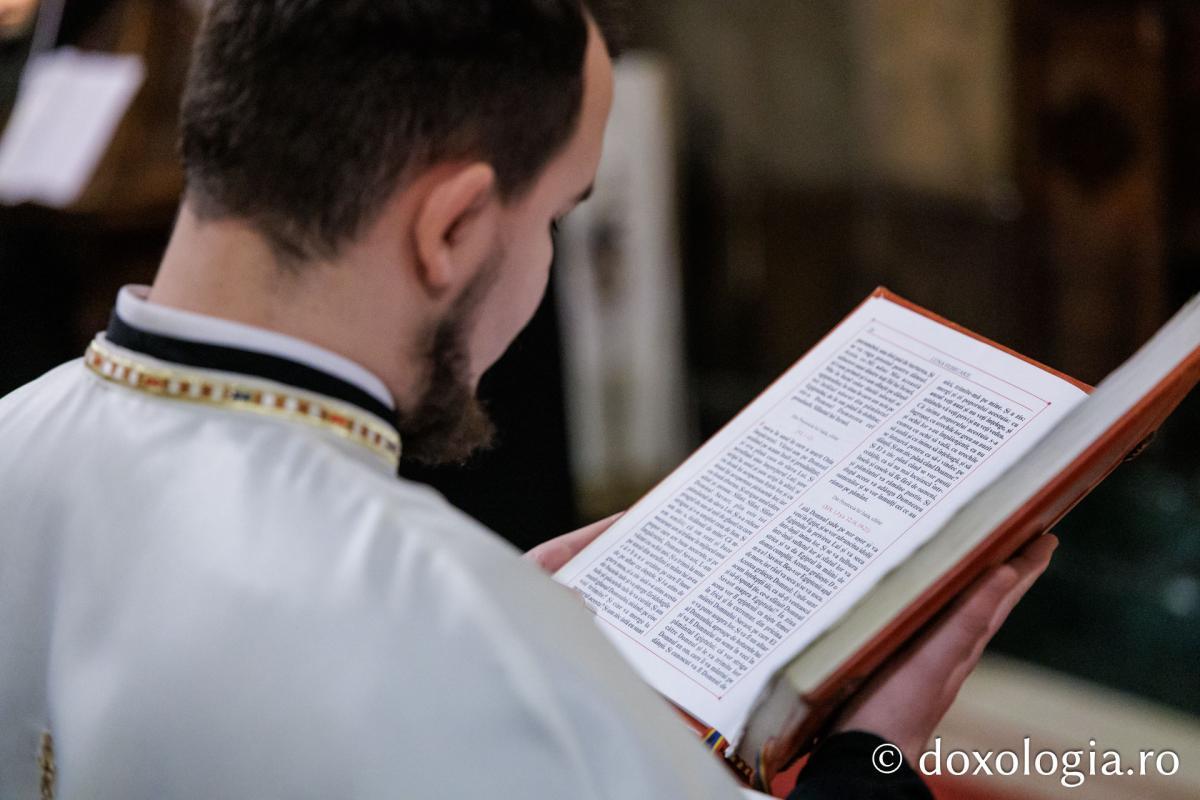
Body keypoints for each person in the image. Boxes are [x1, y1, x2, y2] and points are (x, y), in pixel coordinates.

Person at [0, 1, 1057, 797]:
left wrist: (495, 613)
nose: (547, 258)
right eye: (556, 214)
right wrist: (875, 754)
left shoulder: (14, 434)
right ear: (452, 228)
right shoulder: (449, 626)